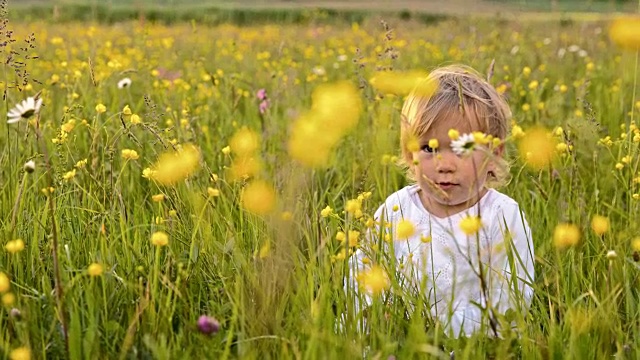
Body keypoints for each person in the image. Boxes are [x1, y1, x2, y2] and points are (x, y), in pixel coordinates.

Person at [350, 64, 535, 339]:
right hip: (395, 336)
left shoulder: (502, 215)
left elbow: (512, 298)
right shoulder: (397, 208)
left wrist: (438, 331)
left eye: (464, 148)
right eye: (429, 148)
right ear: (410, 153)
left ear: (494, 153)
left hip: (473, 343)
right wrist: (377, 313)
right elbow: (362, 270)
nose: (444, 165)